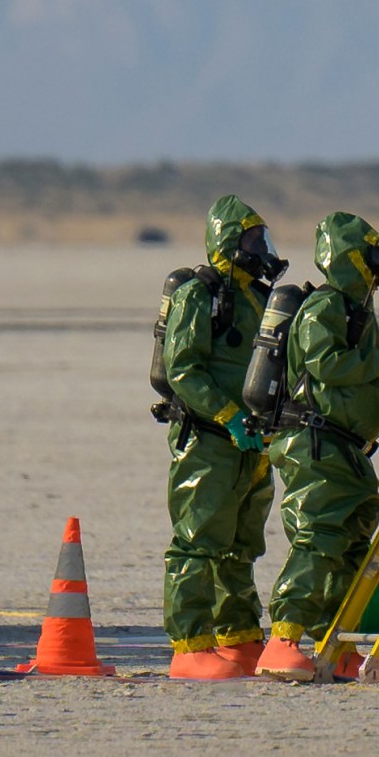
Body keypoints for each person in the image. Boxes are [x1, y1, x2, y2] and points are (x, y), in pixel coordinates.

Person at [256, 212, 379, 681]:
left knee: (353, 544)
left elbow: (350, 376)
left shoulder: (357, 311)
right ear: (352, 257)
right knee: (321, 534)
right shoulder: (325, 306)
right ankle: (283, 640)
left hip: (346, 448)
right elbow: (325, 361)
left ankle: (340, 645)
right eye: (371, 252)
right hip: (316, 443)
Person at [159, 194, 287, 679]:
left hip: (251, 446)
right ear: (229, 244)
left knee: (241, 544)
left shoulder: (256, 297)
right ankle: (190, 645)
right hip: (209, 441)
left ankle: (238, 638)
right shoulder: (200, 295)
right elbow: (183, 368)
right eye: (252, 240)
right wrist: (229, 415)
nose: (261, 248)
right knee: (198, 539)